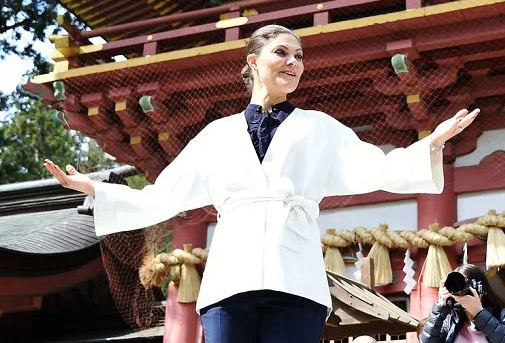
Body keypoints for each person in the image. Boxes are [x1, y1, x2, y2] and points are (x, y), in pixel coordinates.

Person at [44, 24, 480, 343]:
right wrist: (97, 190)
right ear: (254, 61)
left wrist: (431, 143)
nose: (294, 63)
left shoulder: (319, 128)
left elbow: (377, 168)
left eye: (300, 56)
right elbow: (163, 195)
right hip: (229, 281)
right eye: (283, 53)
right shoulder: (216, 135)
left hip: (298, 281)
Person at [419, 264, 505, 343]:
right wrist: (440, 306)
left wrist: (479, 314)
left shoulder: (504, 316)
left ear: (480, 289)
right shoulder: (450, 322)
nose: (460, 294)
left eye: (463, 287)